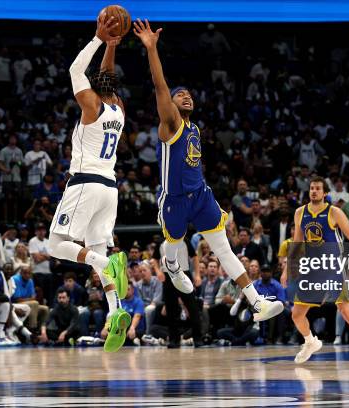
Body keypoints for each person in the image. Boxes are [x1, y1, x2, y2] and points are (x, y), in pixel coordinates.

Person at [133, 19, 283, 323]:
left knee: (224, 249)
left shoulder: (195, 128)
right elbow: (160, 86)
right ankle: (172, 266)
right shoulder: (170, 124)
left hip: (201, 195)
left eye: (189, 94)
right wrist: (152, 49)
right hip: (174, 198)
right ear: (171, 104)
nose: (186, 96)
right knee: (173, 245)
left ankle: (257, 304)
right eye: (180, 94)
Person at [44, 14, 130, 353]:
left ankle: (105, 263)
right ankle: (116, 312)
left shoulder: (91, 104)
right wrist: (112, 46)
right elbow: (105, 77)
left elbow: (75, 72)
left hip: (85, 183)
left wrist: (97, 39)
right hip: (110, 188)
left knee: (55, 244)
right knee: (97, 249)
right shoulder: (118, 107)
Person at [282, 177, 349, 367]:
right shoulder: (299, 213)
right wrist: (287, 268)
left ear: (325, 192)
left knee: (345, 310)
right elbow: (296, 244)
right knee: (296, 314)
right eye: (311, 188)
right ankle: (310, 341)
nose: (313, 191)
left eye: (318, 188)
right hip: (312, 268)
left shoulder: (334, 212)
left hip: (334, 266)